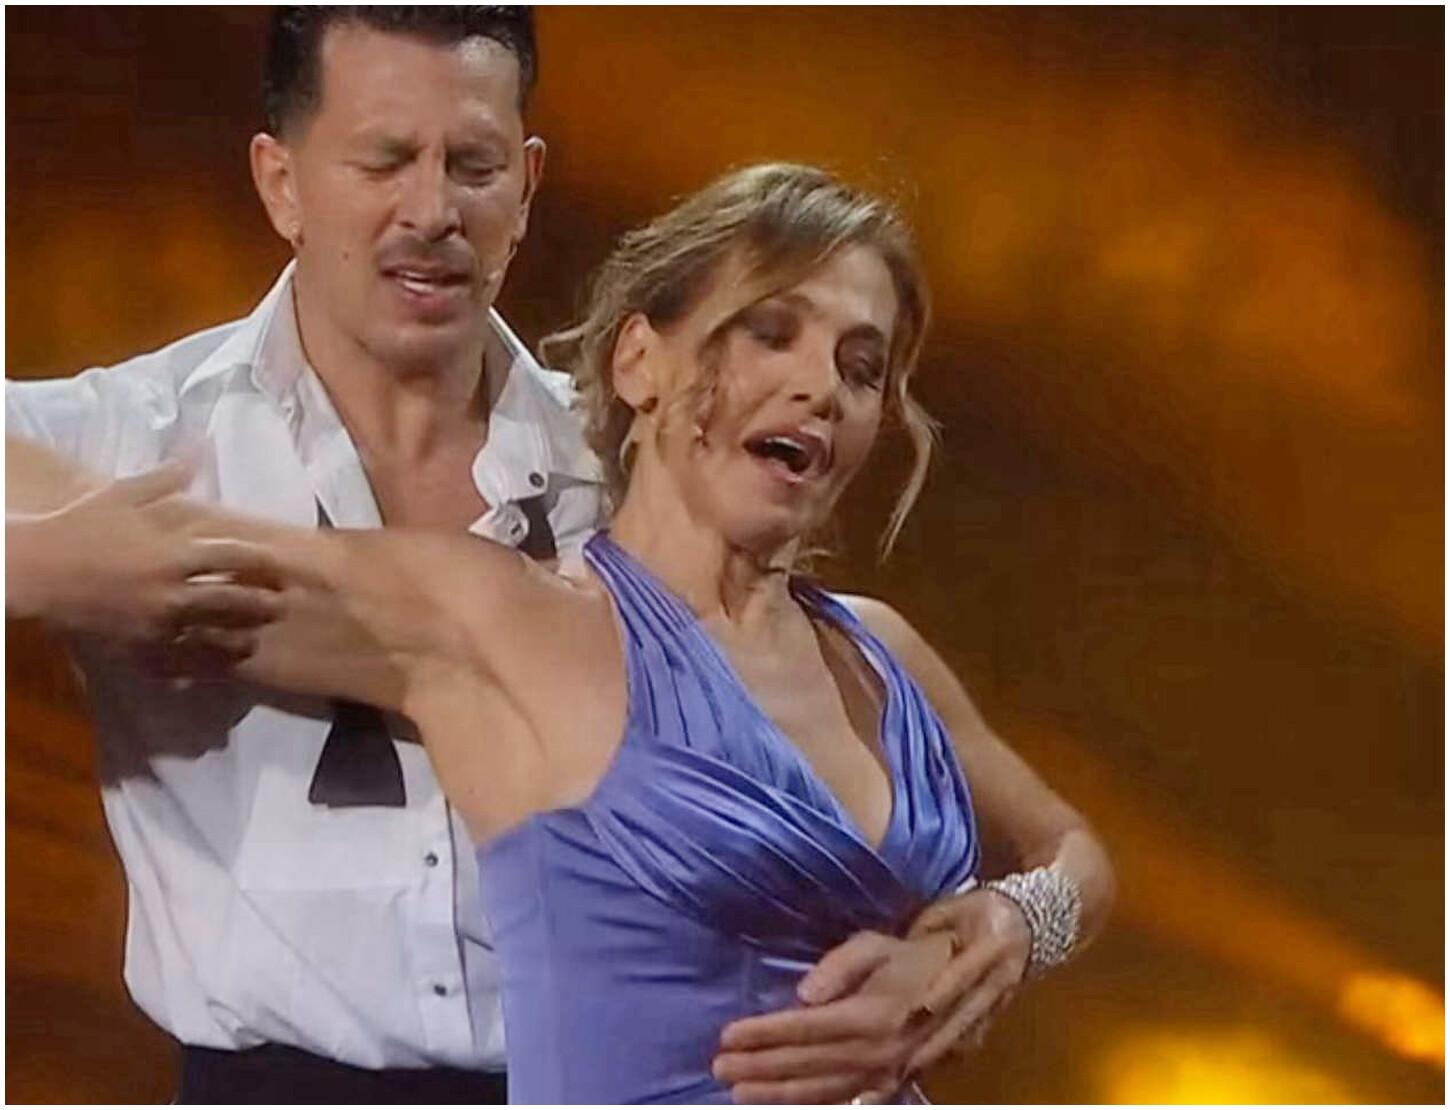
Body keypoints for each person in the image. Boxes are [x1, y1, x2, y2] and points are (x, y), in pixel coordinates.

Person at [6, 9, 1099, 1104]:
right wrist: (38, 561)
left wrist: (998, 929)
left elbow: (1008, 849)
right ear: (281, 182)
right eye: (386, 160)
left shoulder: (635, 464)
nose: (432, 210)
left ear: (525, 187)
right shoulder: (134, 444)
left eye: (472, 166)